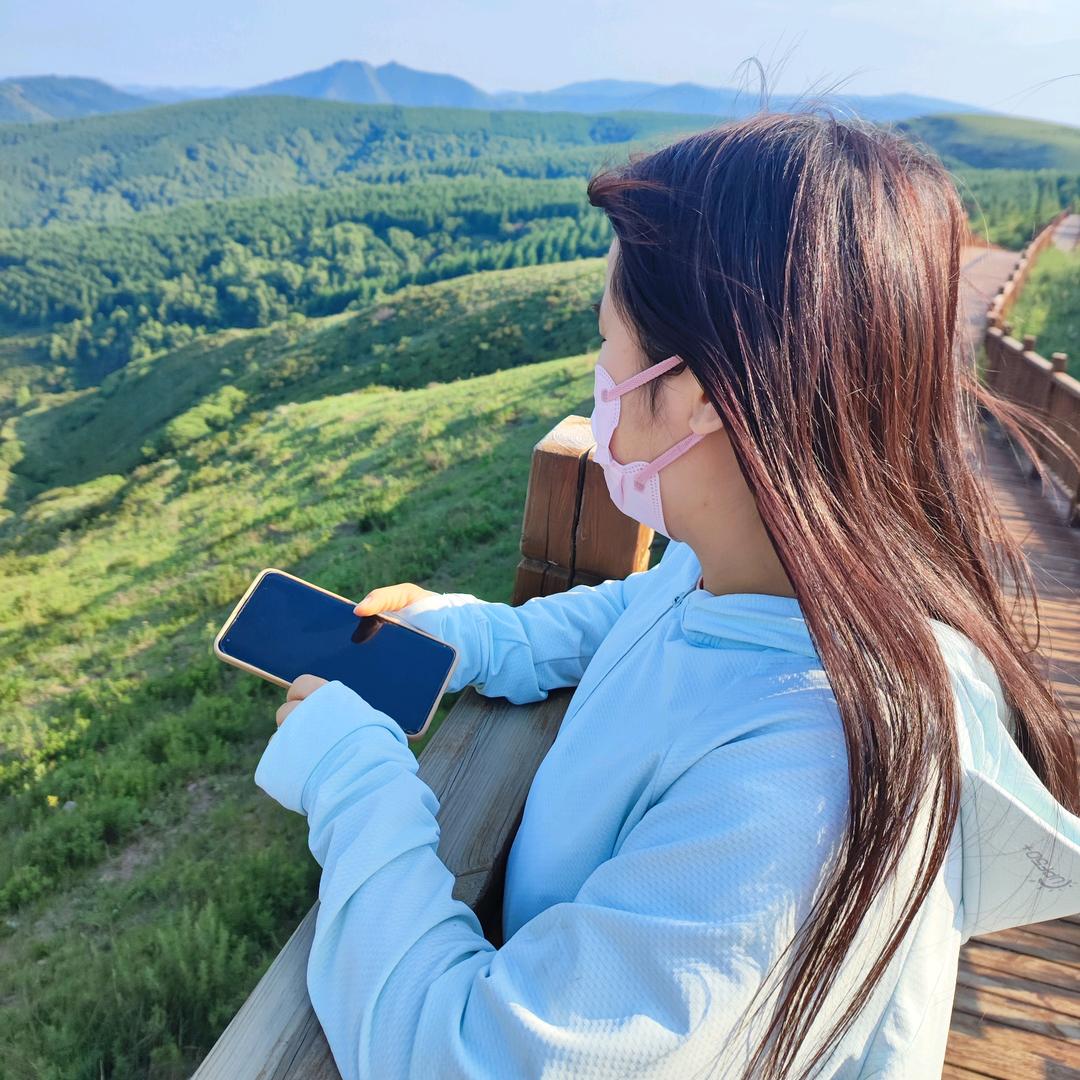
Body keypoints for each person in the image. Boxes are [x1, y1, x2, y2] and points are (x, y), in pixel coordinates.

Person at [254, 111, 1080, 1079]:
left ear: (695, 396)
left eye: (609, 343)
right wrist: (472, 639)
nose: (599, 377)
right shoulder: (779, 569)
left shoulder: (801, 786)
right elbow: (644, 613)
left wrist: (352, 773)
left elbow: (467, 1057)